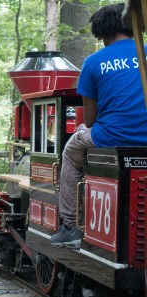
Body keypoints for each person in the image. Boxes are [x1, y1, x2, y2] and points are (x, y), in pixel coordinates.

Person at [50, 3, 147, 249]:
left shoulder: (94, 62)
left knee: (71, 151)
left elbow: (90, 119)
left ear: (102, 33)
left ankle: (70, 226)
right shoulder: (145, 52)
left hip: (112, 137)